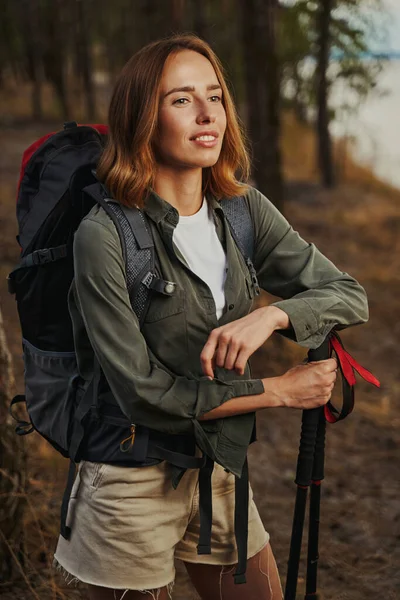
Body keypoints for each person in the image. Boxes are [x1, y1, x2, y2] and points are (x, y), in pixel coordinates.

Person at [52, 34, 368, 600]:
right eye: (180, 100)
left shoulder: (243, 210)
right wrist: (277, 390)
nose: (206, 114)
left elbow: (347, 292)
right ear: (142, 118)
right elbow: (144, 394)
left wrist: (273, 317)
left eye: (215, 96)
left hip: (218, 472)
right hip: (127, 482)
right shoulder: (103, 237)